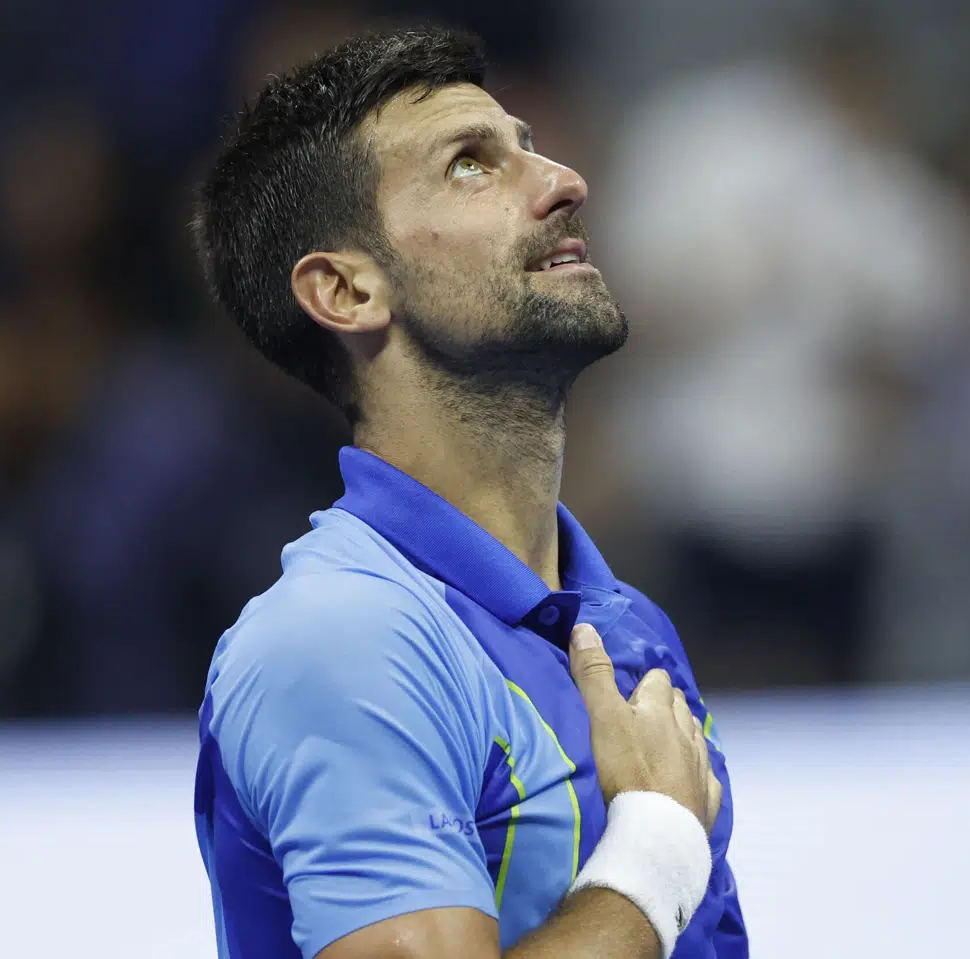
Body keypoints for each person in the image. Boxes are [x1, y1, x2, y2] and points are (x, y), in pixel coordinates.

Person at [190, 26, 746, 959]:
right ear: (346, 291)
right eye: (470, 165)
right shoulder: (340, 639)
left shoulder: (627, 626)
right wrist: (655, 850)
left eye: (529, 146)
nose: (564, 181)